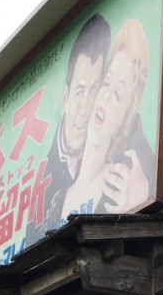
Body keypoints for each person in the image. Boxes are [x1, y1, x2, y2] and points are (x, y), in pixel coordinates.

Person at [58, 18, 155, 221]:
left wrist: (144, 193)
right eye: (106, 82)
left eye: (118, 94)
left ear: (126, 117)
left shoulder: (121, 188)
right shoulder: (57, 197)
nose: (106, 96)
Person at [28, 13, 110, 242]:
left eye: (94, 90)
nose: (86, 108)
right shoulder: (42, 182)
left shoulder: (113, 142)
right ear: (65, 97)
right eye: (80, 91)